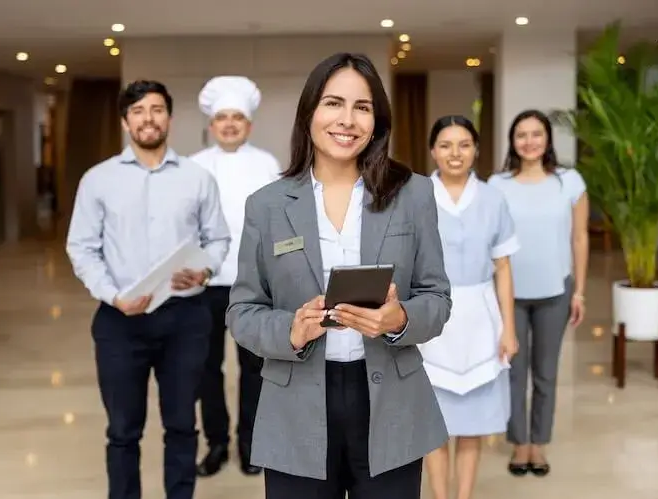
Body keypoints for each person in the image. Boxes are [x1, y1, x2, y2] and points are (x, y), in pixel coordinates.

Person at [226, 52, 452, 499]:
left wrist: (399, 319)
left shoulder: (414, 194)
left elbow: (437, 297)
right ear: (309, 112)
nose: (347, 120)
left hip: (390, 403)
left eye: (362, 107)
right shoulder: (267, 205)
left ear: (376, 120)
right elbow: (242, 310)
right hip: (296, 404)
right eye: (333, 103)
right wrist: (290, 329)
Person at [66, 79, 231, 499]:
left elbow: (218, 239)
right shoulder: (98, 180)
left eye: (156, 109)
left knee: (181, 425)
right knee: (123, 430)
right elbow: (81, 248)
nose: (148, 118)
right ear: (125, 122)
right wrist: (112, 295)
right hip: (120, 320)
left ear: (170, 120)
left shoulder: (198, 178)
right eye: (138, 111)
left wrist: (204, 271)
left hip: (185, 319)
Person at [419, 115, 519, 499]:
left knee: (473, 423)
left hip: (481, 317)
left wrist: (508, 328)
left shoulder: (493, 198)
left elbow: (504, 266)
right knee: (435, 424)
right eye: (445, 145)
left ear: (476, 149)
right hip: (431, 317)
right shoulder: (417, 195)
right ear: (433, 151)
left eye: (464, 144)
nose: (455, 153)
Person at [488, 109, 589, 477]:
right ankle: (519, 444)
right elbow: (492, 242)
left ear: (547, 139)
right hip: (509, 295)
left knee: (546, 373)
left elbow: (579, 237)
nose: (529, 141)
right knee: (513, 372)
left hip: (555, 292)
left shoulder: (569, 181)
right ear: (512, 142)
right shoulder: (497, 185)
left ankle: (539, 444)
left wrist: (579, 291)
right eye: (521, 135)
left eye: (536, 134)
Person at [189, 75, 281, 477]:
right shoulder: (193, 166)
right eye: (222, 117)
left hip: (254, 285)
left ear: (249, 125)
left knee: (256, 370)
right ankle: (217, 444)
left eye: (237, 118)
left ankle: (251, 444)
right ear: (211, 124)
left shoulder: (267, 164)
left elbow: (278, 227)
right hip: (204, 283)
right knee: (206, 369)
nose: (229, 124)